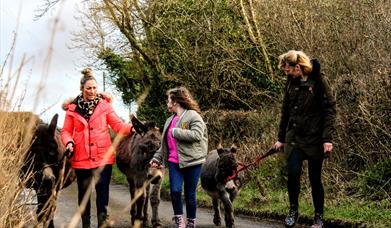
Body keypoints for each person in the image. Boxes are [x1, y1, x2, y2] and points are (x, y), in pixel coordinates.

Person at [61, 68, 133, 228]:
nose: (92, 91)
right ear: (82, 89)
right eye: (89, 88)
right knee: (84, 195)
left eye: (94, 88)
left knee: (102, 195)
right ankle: (86, 225)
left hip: (103, 158)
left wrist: (132, 128)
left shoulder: (105, 106)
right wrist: (69, 142)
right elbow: (66, 131)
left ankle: (102, 223)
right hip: (81, 158)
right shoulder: (72, 109)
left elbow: (117, 125)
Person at [273, 50, 336, 228]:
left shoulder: (318, 81)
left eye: (287, 70)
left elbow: (330, 110)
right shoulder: (290, 83)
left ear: (298, 67)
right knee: (293, 175)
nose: (286, 73)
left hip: (315, 138)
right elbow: (285, 111)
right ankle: (293, 211)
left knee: (315, 178)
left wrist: (327, 139)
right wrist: (281, 138)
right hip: (294, 139)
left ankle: (318, 216)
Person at [150, 86, 208, 228]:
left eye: (168, 100)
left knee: (190, 194)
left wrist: (177, 132)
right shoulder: (170, 120)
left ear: (175, 101)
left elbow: (197, 135)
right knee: (175, 191)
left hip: (192, 162)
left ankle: (191, 222)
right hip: (174, 162)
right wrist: (156, 158)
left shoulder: (193, 116)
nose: (167, 103)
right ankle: (179, 220)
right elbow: (165, 144)